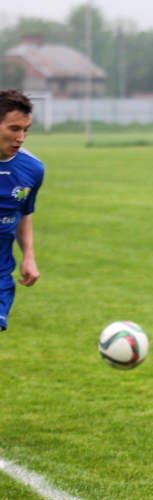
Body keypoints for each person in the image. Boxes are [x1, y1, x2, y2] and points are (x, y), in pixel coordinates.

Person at [0, 89, 43, 331]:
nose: (21, 137)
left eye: (26, 130)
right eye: (14, 129)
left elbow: (25, 213)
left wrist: (28, 256)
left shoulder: (32, 169)